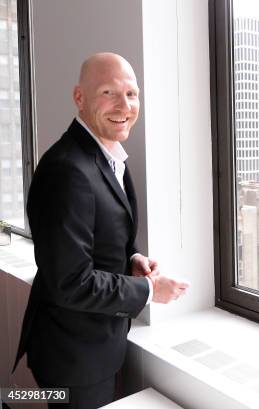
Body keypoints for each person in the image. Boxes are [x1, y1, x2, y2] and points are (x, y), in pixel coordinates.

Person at [12, 53, 189, 409]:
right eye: (109, 92)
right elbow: (71, 281)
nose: (124, 105)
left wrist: (132, 257)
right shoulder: (68, 170)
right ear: (80, 97)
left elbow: (102, 233)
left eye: (132, 94)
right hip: (74, 357)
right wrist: (150, 290)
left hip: (92, 347)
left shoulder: (107, 158)